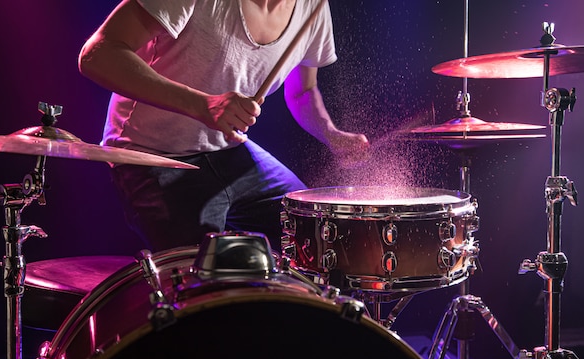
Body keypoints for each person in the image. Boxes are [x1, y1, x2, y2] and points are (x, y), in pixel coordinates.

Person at [78, 0, 369, 253]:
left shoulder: (313, 7)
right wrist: (203, 105)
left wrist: (331, 133)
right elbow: (98, 55)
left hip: (228, 149)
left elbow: (302, 91)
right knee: (203, 283)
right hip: (151, 153)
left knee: (315, 236)